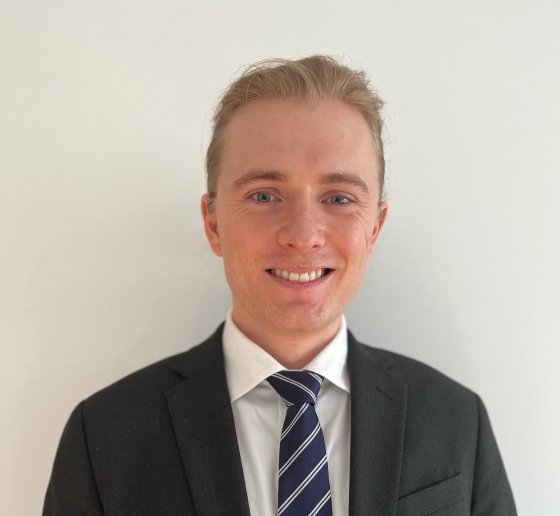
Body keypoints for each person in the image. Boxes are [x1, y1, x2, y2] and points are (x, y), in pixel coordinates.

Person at [43, 56, 517, 516]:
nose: (303, 235)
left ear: (375, 228)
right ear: (213, 224)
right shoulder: (104, 436)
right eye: (264, 195)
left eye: (339, 197)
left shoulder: (458, 421)